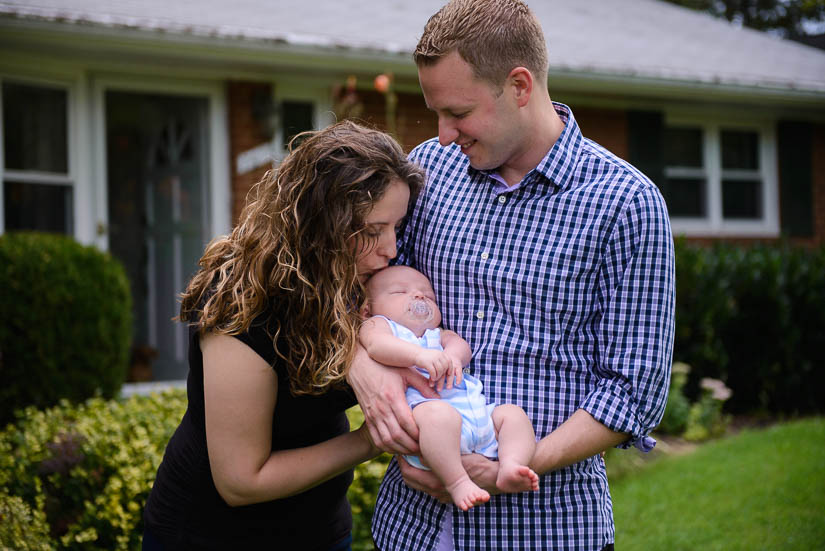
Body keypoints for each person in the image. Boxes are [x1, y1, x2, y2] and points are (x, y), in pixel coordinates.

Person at [346, 1, 676, 550]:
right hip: (410, 528)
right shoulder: (427, 173)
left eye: (458, 112)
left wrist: (507, 468)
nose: (444, 133)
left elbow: (632, 392)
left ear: (520, 85)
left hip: (545, 529)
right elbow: (346, 288)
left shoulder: (626, 204)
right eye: (436, 113)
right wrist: (363, 368)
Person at [141, 120, 433, 550]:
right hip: (213, 535)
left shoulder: (359, 275)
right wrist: (370, 440)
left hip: (322, 528)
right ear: (321, 224)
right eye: (372, 231)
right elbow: (241, 481)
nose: (390, 248)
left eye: (396, 227)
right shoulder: (244, 304)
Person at [359, 265, 539, 511]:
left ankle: (510, 465)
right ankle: (457, 482)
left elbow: (461, 346)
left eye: (428, 294)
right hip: (429, 421)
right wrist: (418, 356)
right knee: (440, 416)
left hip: (478, 419)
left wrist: (454, 357)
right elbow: (377, 346)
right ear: (367, 309)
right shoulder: (379, 325)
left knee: (512, 415)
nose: (419, 296)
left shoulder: (437, 334)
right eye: (400, 291)